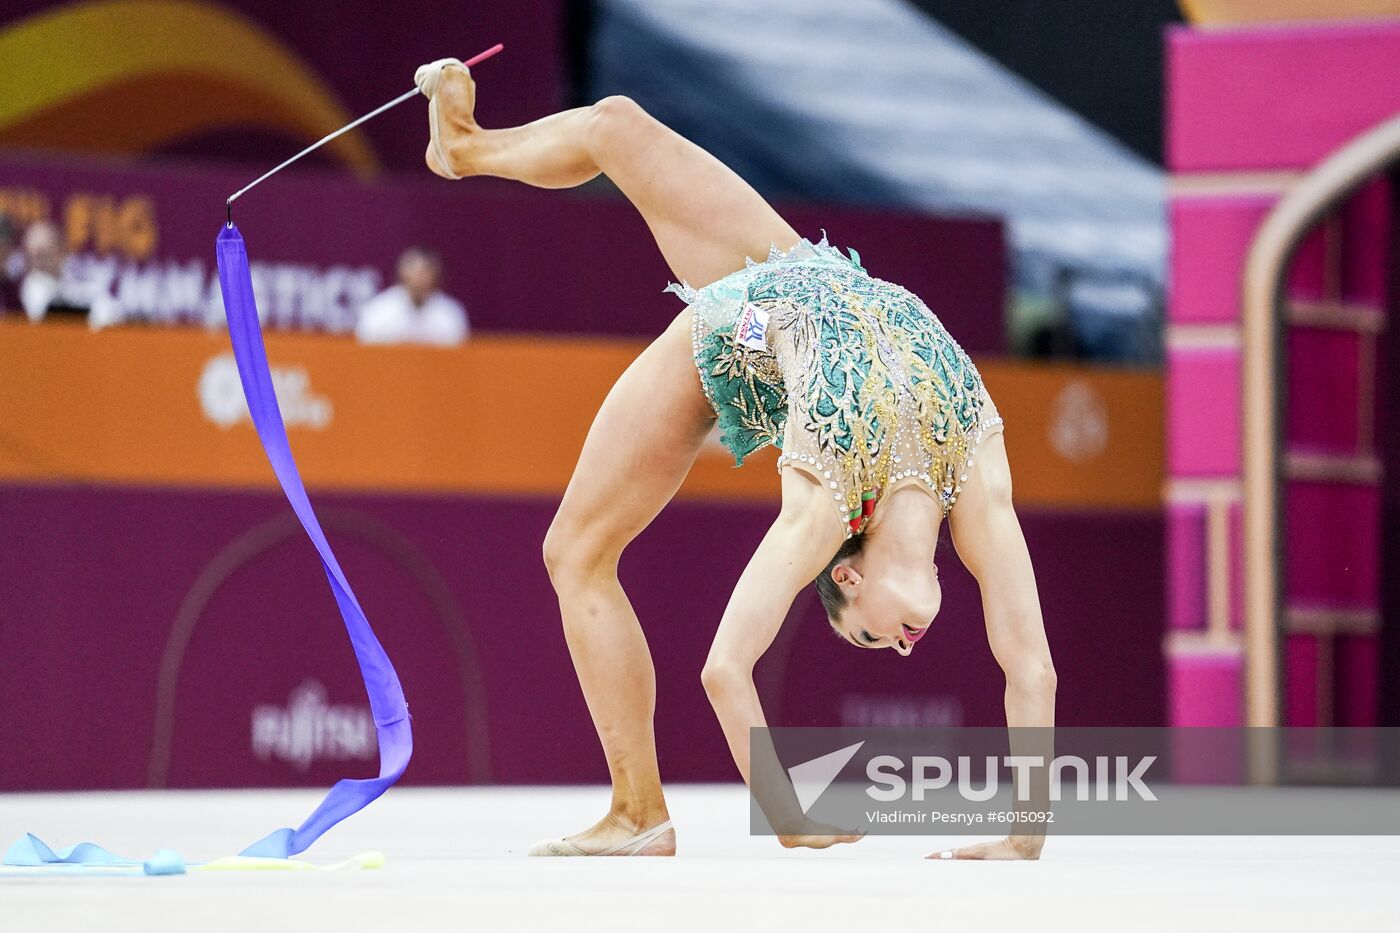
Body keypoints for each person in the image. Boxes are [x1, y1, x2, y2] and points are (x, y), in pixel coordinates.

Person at [415, 58, 1056, 860]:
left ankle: (636, 811)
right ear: (846, 575)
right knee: (614, 121)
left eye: (872, 641)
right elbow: (1033, 666)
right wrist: (796, 816)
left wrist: (1021, 839)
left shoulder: (824, 499)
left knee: (573, 552)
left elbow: (726, 667)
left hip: (737, 325)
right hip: (790, 266)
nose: (899, 646)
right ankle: (464, 148)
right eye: (870, 638)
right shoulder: (973, 462)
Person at [355, 246, 469, 346]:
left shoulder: (450, 314)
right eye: (413, 269)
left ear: (436, 275)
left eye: (426, 270)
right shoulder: (378, 310)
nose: (419, 277)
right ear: (401, 272)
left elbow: (457, 355)